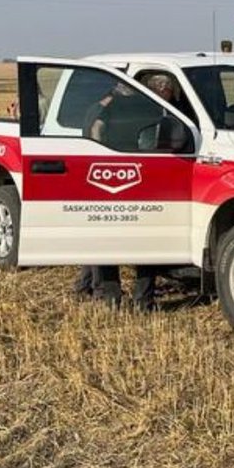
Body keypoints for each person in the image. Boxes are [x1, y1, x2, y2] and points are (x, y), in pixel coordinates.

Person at [90, 73, 178, 312]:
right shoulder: (156, 109)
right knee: (146, 241)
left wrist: (104, 155)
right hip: (147, 173)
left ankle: (111, 297)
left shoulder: (112, 106)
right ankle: (144, 300)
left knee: (107, 240)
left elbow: (95, 127)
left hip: (111, 174)